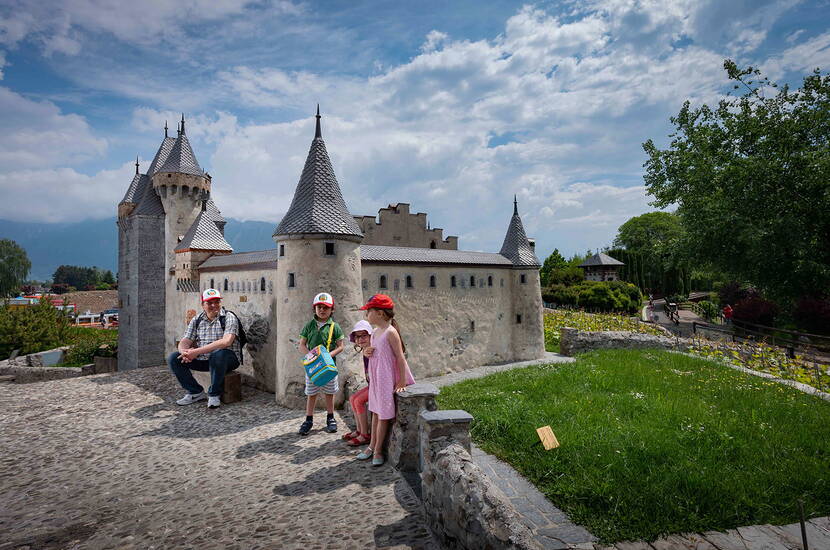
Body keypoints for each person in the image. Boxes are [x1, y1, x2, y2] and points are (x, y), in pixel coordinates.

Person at [356, 294, 414, 466]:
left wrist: (402, 382)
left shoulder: (391, 332)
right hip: (376, 378)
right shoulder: (374, 333)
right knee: (375, 411)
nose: (366, 315)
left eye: (369, 312)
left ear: (380, 313)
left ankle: (379, 450)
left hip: (386, 379)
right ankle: (371, 446)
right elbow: (373, 351)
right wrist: (367, 351)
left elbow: (400, 357)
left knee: (382, 415)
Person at [168, 288, 241, 409]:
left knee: (218, 354)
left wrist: (196, 352)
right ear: (203, 305)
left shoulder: (229, 317)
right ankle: (195, 392)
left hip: (227, 360)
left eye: (217, 301)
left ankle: (214, 394)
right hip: (204, 360)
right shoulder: (197, 320)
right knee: (174, 358)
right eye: (209, 303)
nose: (214, 305)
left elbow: (226, 341)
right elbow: (185, 340)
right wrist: (184, 352)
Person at [297, 292, 345, 436]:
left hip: (329, 367)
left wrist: (328, 355)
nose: (322, 310)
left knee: (329, 393)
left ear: (332, 310)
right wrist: (310, 356)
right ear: (315, 309)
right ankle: (308, 419)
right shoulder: (309, 326)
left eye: (326, 307)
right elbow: (302, 344)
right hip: (313, 367)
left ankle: (330, 417)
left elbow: (341, 346)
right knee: (312, 393)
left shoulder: (334, 327)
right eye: (319, 307)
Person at [342, 320, 373, 446]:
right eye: (357, 336)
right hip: (372, 385)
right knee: (353, 398)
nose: (360, 339)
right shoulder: (365, 350)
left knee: (359, 401)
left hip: (378, 386)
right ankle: (360, 430)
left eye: (364, 335)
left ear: (371, 336)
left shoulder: (371, 350)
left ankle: (365, 434)